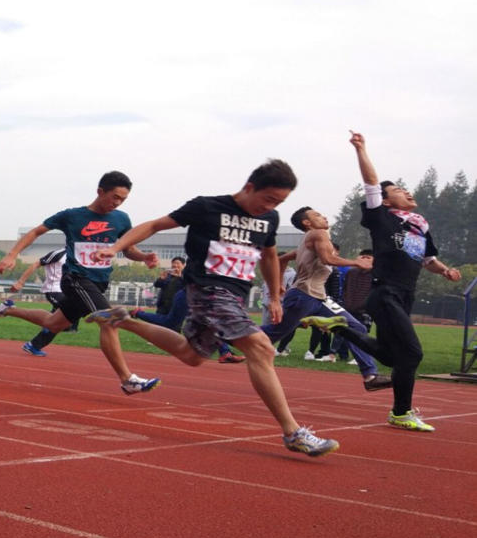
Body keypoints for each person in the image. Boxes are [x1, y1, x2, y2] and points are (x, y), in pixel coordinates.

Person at [87, 159, 340, 457]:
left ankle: (123, 320)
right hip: (206, 288)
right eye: (268, 198)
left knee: (191, 354)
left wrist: (274, 295)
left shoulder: (269, 219)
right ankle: (293, 433)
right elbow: (156, 224)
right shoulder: (207, 207)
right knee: (261, 348)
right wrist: (116, 248)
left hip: (235, 296)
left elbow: (269, 256)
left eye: (279, 202)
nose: (270, 206)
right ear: (249, 187)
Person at [301, 132, 462, 432]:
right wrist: (362, 150)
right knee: (412, 354)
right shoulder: (381, 217)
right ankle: (401, 412)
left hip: (404, 296)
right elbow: (372, 183)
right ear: (387, 201)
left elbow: (428, 260)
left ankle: (342, 329)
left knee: (390, 355)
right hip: (384, 293)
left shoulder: (419, 226)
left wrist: (446, 271)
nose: (408, 192)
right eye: (400, 190)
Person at [0, 171, 162, 395]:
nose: (117, 203)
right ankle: (127, 380)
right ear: (100, 191)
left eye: (123, 199)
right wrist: (12, 254)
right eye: (114, 197)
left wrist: (143, 257)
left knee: (54, 322)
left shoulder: (121, 219)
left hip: (100, 281)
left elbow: (128, 248)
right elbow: (37, 231)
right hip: (76, 278)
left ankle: (7, 310)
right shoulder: (72, 216)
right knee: (109, 320)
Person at [258, 207, 388, 390]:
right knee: (274, 332)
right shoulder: (318, 233)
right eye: (318, 215)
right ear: (307, 222)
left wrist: (279, 285)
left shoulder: (306, 241)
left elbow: (281, 260)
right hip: (303, 295)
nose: (324, 216)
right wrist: (356, 262)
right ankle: (227, 335)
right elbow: (328, 259)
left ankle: (370, 376)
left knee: (355, 327)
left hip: (319, 297)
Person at [132, 289, 245, 363]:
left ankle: (225, 353)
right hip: (186, 296)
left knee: (214, 323)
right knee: (169, 322)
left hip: (205, 298)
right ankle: (138, 313)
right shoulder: (196, 267)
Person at [8, 247, 77, 357]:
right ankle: (9, 310)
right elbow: (36, 264)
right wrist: (21, 282)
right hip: (53, 290)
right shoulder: (58, 254)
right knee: (66, 320)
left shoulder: (79, 256)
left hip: (66, 292)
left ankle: (34, 345)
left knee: (61, 324)